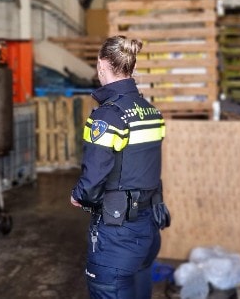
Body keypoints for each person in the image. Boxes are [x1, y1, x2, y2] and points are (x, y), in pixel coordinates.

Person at [70, 35, 171, 299]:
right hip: (148, 230)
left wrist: (79, 195)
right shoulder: (151, 112)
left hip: (117, 238)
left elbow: (93, 180)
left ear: (101, 64)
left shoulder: (107, 116)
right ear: (131, 66)